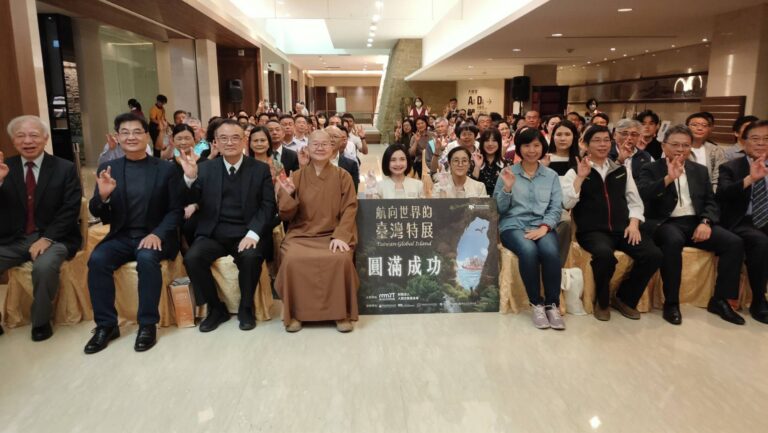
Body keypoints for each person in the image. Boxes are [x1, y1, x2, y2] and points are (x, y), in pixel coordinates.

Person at [85, 112, 183, 354]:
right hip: (121, 236)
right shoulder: (109, 168)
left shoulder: (166, 169)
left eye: (137, 132)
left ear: (146, 136)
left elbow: (176, 210)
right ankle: (106, 325)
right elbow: (97, 211)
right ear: (117, 137)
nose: (131, 137)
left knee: (147, 258)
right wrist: (103, 196)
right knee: (97, 260)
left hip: (155, 235)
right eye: (125, 133)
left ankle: (147, 324)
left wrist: (158, 234)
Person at [638, 125, 746, 325]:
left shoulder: (699, 170)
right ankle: (671, 303)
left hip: (695, 221)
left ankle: (720, 300)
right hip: (665, 222)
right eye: (675, 144)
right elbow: (644, 195)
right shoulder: (650, 169)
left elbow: (711, 201)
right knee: (672, 240)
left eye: (686, 145)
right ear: (663, 145)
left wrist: (705, 222)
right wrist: (669, 178)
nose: (681, 149)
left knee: (734, 242)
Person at [178, 119, 276, 332]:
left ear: (244, 141)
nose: (229, 142)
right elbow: (190, 199)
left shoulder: (259, 169)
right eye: (223, 138)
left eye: (235, 138)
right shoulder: (205, 168)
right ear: (215, 142)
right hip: (214, 232)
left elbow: (268, 206)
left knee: (251, 257)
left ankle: (246, 307)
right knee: (193, 258)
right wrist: (189, 178)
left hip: (246, 232)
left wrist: (253, 234)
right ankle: (216, 308)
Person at [562, 125, 662, 321]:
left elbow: (635, 201)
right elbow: (567, 203)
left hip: (622, 229)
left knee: (653, 255)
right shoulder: (574, 171)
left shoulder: (621, 170)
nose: (602, 144)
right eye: (596, 140)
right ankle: (602, 301)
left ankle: (625, 298)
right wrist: (581, 177)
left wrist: (634, 224)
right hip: (592, 231)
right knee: (604, 255)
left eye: (606, 140)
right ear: (586, 145)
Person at [0, 116, 82, 341]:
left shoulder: (64, 168)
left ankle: (41, 321)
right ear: (13, 140)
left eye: (34, 135)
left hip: (55, 238)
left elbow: (70, 209)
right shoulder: (5, 167)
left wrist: (48, 238)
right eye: (21, 136)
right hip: (13, 239)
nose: (28, 141)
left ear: (45, 138)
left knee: (44, 268)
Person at [274, 130, 359, 333]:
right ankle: (296, 314)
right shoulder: (297, 176)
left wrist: (341, 235)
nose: (320, 148)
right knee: (292, 259)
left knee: (340, 258)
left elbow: (350, 208)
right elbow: (286, 214)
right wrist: (288, 193)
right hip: (301, 234)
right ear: (307, 148)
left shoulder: (343, 176)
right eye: (315, 144)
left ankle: (340, 313)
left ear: (332, 147)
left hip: (332, 234)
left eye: (325, 144)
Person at [494, 128, 564, 329]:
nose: (531, 150)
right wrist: (507, 188)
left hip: (542, 226)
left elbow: (555, 207)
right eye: (526, 145)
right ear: (519, 148)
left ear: (543, 147)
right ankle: (537, 304)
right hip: (513, 225)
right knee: (528, 250)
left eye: (536, 145)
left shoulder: (551, 176)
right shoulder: (507, 173)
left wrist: (545, 227)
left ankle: (552, 305)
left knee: (550, 252)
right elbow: (499, 208)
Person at [716, 119, 768, 324]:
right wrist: (750, 179)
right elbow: (722, 194)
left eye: (766, 139)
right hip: (742, 221)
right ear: (744, 141)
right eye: (755, 138)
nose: (761, 143)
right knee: (761, 242)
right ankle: (758, 300)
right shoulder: (730, 167)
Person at [686, 112, 726, 190]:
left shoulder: (716, 150)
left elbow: (717, 178)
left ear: (709, 129)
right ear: (686, 127)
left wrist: (712, 194)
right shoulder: (679, 148)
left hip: (708, 193)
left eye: (704, 126)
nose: (699, 128)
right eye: (694, 125)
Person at [470, 127, 509, 196]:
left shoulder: (507, 164)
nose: (490, 144)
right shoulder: (473, 162)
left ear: (499, 143)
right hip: (478, 201)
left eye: (494, 140)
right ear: (482, 143)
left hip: (500, 201)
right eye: (487, 140)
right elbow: (471, 188)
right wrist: (477, 167)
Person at [326, 125, 360, 192]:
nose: (331, 139)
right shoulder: (312, 162)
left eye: (335, 136)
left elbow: (353, 193)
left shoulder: (351, 165)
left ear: (341, 141)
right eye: (328, 136)